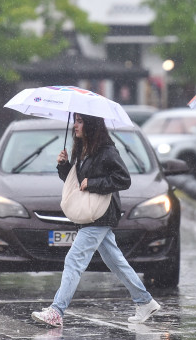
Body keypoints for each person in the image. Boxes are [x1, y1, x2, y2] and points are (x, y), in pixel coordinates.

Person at [31, 113, 161, 328]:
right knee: (115, 261)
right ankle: (145, 301)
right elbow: (76, 183)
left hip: (100, 213)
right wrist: (64, 166)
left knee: (74, 260)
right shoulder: (83, 150)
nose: (75, 125)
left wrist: (93, 183)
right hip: (91, 213)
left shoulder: (106, 151)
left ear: (91, 125)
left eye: (80, 121)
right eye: (75, 120)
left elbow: (123, 179)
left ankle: (57, 310)